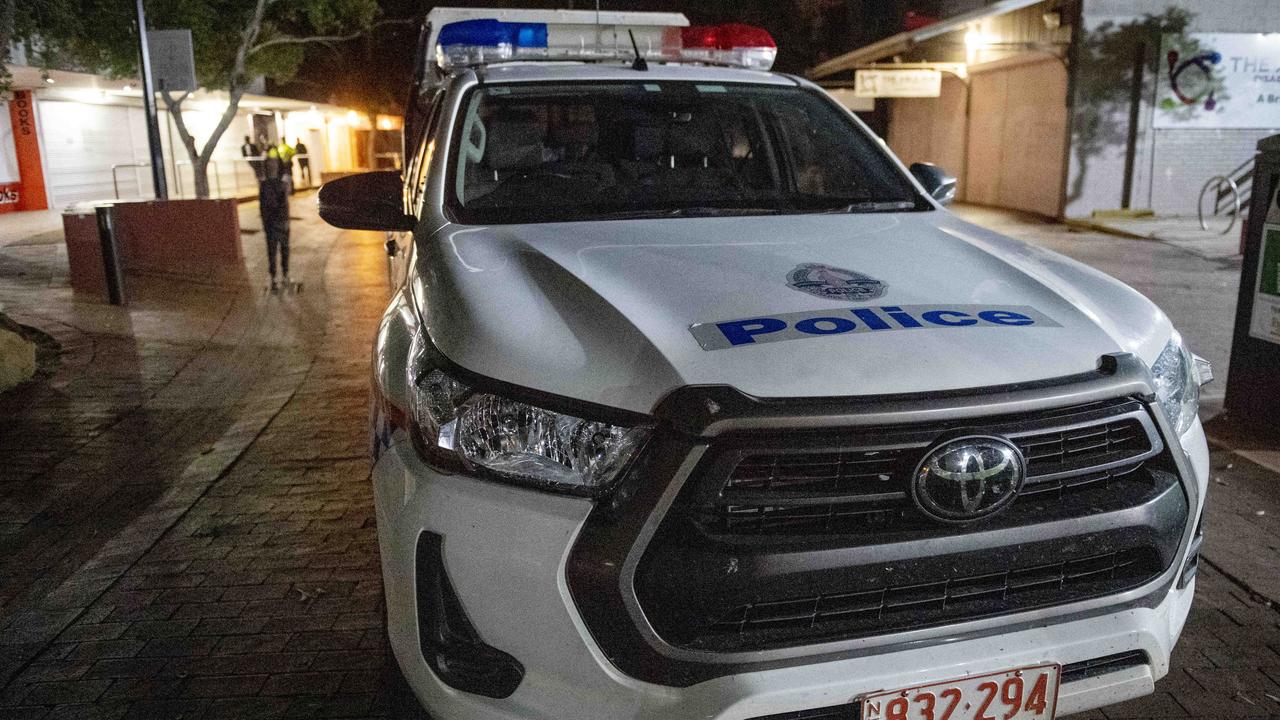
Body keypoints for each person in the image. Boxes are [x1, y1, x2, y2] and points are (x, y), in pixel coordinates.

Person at [259, 146, 290, 291]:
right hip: (273, 224)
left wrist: (285, 222)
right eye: (270, 165)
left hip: (279, 223)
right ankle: (275, 276)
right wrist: (266, 225)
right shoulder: (265, 186)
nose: (273, 167)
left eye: (274, 165)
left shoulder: (280, 184)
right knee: (272, 251)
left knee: (283, 249)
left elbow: (284, 205)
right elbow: (263, 207)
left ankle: (284, 274)